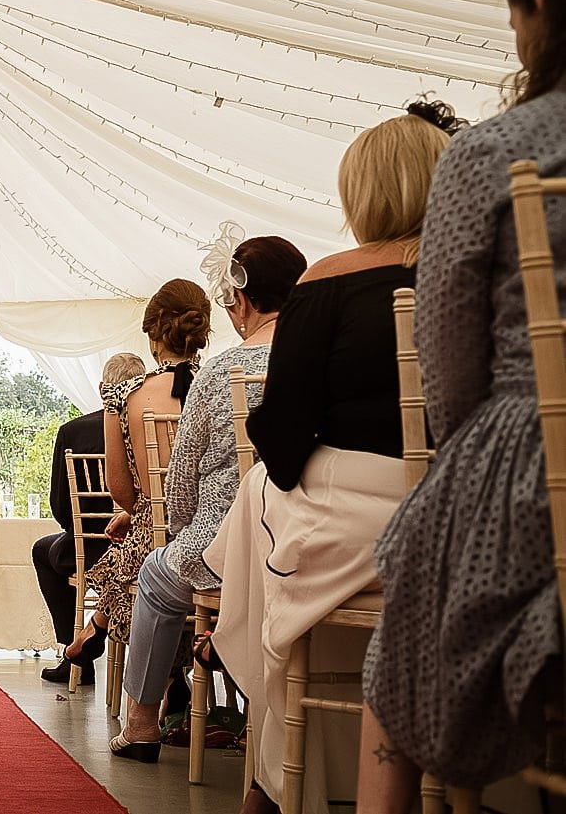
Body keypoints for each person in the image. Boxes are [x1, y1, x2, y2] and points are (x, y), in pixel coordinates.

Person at [360, 0, 566, 812]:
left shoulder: (492, 154)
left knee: (407, 611)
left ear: (540, 6)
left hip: (541, 468)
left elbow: (448, 381)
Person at [203, 101, 458, 814]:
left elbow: (284, 441)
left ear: (362, 193)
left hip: (357, 520)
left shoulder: (328, 278)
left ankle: (274, 764)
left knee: (259, 496)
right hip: (462, 513)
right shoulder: (484, 268)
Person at [109, 230, 307, 762]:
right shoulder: (319, 360)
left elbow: (179, 484)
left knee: (156, 575)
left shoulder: (221, 371)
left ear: (239, 298)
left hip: (224, 549)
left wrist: (182, 533)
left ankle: (142, 725)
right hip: (305, 546)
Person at [58, 279, 211, 680]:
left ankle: (98, 628)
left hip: (157, 537)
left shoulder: (128, 396)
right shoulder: (220, 386)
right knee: (142, 546)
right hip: (217, 538)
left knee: (129, 554)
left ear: (155, 336)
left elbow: (122, 490)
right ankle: (178, 679)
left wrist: (140, 511)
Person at [36, 352, 146, 685]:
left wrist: (80, 529)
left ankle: (72, 654)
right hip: (144, 542)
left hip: (90, 547)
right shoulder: (150, 426)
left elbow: (60, 505)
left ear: (102, 389)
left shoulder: (73, 431)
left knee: (42, 551)